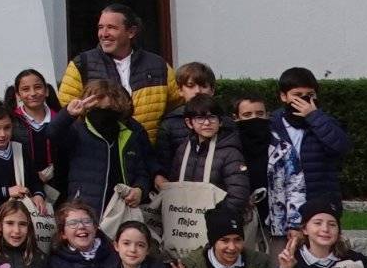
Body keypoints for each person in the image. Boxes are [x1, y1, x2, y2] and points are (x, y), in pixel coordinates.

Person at [56, 3, 174, 137]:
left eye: (111, 27)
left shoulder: (158, 65)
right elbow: (68, 111)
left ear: (131, 32)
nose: (104, 34)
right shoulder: (81, 64)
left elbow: (176, 111)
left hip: (146, 153)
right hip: (99, 154)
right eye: (101, 27)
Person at [265, 68, 355, 236]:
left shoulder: (324, 121)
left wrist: (314, 116)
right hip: (282, 206)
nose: (305, 99)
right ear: (283, 96)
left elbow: (341, 147)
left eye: (310, 94)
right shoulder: (272, 125)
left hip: (319, 204)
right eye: (297, 94)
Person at [49, 81, 154, 220]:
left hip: (120, 212)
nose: (104, 115)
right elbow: (52, 133)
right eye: (97, 109)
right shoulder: (76, 130)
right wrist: (69, 113)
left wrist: (140, 189)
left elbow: (142, 172)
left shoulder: (129, 135)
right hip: (84, 210)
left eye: (110, 110)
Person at [158, 96, 252, 234]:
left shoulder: (231, 153)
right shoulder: (183, 149)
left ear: (220, 122)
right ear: (189, 123)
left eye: (212, 117)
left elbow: (238, 195)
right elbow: (174, 186)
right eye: (200, 118)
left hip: (216, 226)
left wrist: (217, 220)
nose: (207, 123)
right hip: (185, 224)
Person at [11, 68, 64, 191]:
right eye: (25, 89)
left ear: (46, 91)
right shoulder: (12, 122)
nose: (33, 93)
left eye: (38, 87)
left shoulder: (60, 120)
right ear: (18, 95)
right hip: (24, 186)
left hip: (59, 185)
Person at [156, 60, 219, 164]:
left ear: (212, 90)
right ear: (180, 90)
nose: (198, 91)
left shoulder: (225, 122)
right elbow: (163, 164)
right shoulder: (169, 125)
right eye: (191, 86)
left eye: (203, 86)